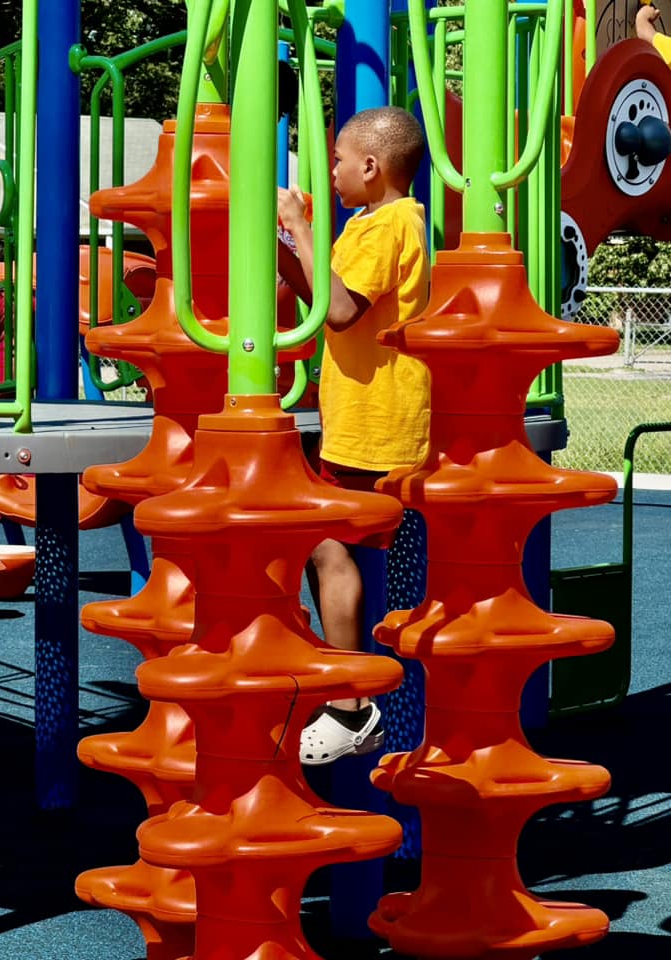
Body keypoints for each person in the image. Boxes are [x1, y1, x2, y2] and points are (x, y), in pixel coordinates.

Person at [277, 105, 430, 765]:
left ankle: (350, 705)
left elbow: (339, 312)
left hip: (379, 427)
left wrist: (301, 227)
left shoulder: (389, 225)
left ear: (370, 167)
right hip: (361, 424)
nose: (332, 171)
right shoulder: (371, 224)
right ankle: (348, 688)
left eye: (338, 161)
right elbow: (320, 296)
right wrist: (281, 247)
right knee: (320, 545)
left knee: (320, 543)